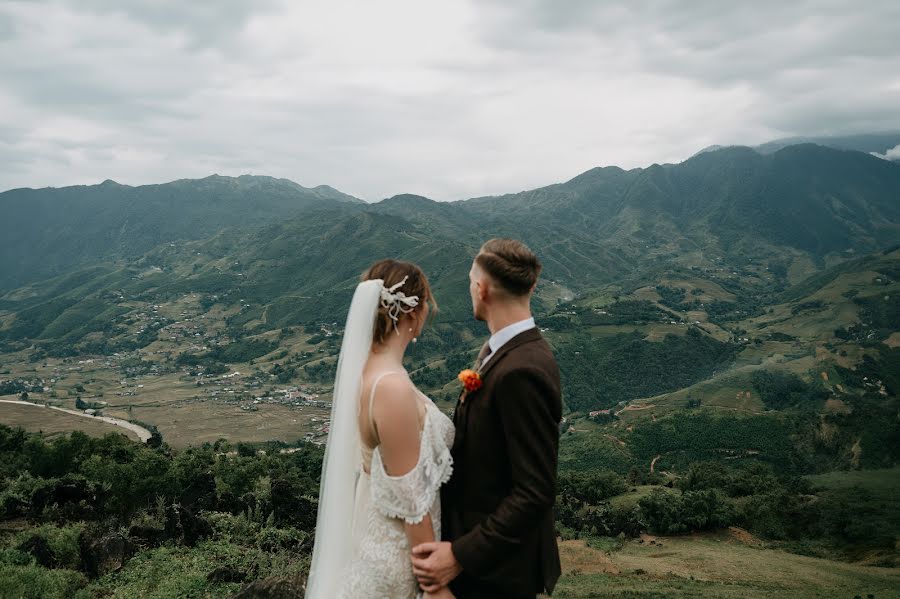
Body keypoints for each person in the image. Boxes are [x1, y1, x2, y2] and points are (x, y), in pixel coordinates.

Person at [411, 238, 563, 599]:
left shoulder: (522, 370)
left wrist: (461, 555)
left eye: (469, 282)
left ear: (481, 289)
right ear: (532, 285)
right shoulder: (509, 353)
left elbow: (535, 490)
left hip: (497, 574)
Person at [305, 259, 456, 599]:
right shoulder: (390, 387)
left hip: (378, 542)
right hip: (397, 562)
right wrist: (437, 587)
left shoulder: (372, 373)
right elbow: (413, 499)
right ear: (412, 313)